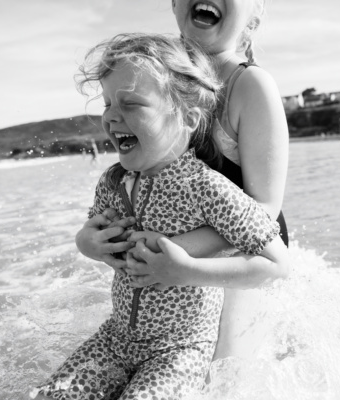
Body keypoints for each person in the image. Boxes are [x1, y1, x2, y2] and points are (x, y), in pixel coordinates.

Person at [32, 33, 289, 400]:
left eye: (131, 104)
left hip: (178, 349)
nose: (110, 116)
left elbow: (276, 265)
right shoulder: (113, 181)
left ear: (187, 116)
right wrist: (86, 243)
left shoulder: (207, 188)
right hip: (116, 339)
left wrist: (185, 270)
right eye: (107, 103)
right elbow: (93, 231)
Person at [77, 0, 290, 361]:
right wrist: (91, 240)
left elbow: (266, 207)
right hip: (166, 256)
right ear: (174, 5)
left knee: (220, 373)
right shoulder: (152, 70)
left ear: (253, 16)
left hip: (243, 250)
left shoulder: (250, 84)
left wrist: (172, 255)